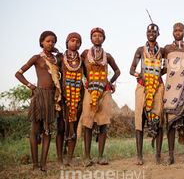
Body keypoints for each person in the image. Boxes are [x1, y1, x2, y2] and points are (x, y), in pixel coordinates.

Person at [15, 31, 62, 171]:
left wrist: (57, 52)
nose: (50, 43)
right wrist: (30, 85)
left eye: (53, 41)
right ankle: (35, 165)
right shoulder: (37, 58)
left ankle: (44, 163)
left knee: (48, 130)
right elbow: (18, 73)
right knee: (35, 130)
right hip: (40, 94)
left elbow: (62, 62)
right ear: (41, 42)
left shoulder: (56, 60)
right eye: (48, 41)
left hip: (52, 96)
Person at [80, 27, 120, 166]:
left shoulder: (107, 56)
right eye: (94, 36)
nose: (97, 38)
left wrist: (110, 82)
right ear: (91, 38)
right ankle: (87, 157)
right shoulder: (85, 53)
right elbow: (80, 67)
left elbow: (117, 71)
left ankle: (100, 157)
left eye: (100, 36)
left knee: (102, 123)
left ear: (103, 38)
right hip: (90, 91)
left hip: (104, 91)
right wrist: (88, 81)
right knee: (88, 123)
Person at [130, 23, 164, 165]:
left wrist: (155, 76)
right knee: (140, 120)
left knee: (159, 118)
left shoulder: (162, 51)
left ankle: (158, 156)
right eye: (149, 31)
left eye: (154, 31)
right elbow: (131, 70)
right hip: (142, 86)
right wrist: (142, 75)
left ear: (158, 34)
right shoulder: (140, 50)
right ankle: (139, 156)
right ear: (146, 33)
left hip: (158, 87)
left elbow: (167, 67)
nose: (151, 33)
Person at [162, 23, 184, 166]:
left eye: (180, 30)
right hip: (170, 88)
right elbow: (164, 67)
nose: (177, 33)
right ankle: (170, 156)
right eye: (175, 30)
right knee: (170, 122)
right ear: (172, 32)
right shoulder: (167, 48)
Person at [56, 32, 84, 167]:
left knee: (73, 125)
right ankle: (60, 159)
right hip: (64, 96)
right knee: (61, 127)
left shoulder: (82, 59)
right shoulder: (60, 58)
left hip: (78, 96)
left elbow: (89, 76)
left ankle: (70, 159)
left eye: (78, 41)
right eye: (72, 40)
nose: (75, 43)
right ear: (67, 42)